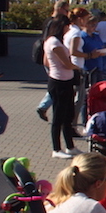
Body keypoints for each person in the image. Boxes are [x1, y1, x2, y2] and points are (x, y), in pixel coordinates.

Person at [43, 15, 83, 159]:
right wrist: (77, 67)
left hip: (65, 81)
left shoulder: (56, 41)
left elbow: (46, 62)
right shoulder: (54, 42)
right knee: (58, 117)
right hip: (59, 82)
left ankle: (70, 146)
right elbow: (66, 63)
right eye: (67, 26)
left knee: (68, 116)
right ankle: (56, 149)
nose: (68, 29)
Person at [36, 0, 69, 121]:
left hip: (53, 56)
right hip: (51, 57)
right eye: (66, 10)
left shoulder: (51, 21)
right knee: (55, 86)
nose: (67, 13)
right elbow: (47, 41)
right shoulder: (52, 22)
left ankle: (44, 106)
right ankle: (43, 106)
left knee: (55, 87)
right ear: (59, 9)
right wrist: (47, 58)